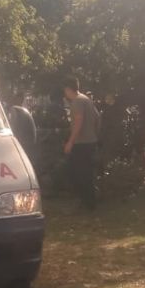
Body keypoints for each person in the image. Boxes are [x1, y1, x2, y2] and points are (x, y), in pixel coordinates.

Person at [62, 76, 100, 210]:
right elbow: (97, 117)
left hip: (81, 143)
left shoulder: (77, 102)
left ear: (68, 89)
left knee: (78, 173)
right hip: (91, 141)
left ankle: (85, 203)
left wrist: (70, 142)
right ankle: (91, 202)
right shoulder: (86, 99)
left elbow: (78, 122)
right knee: (87, 173)